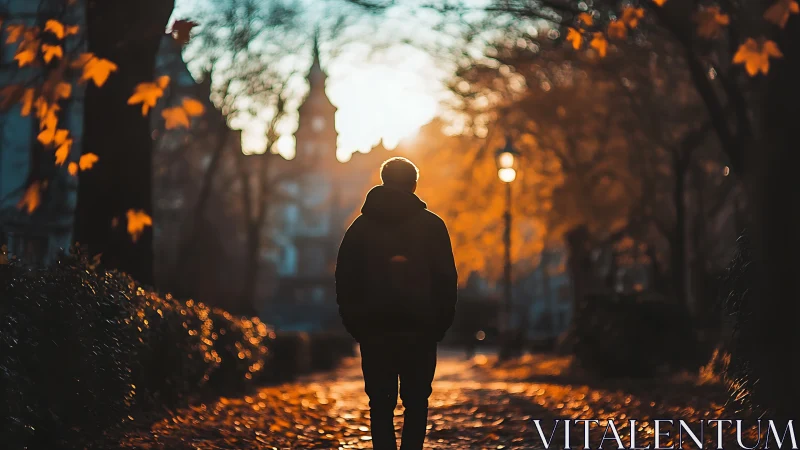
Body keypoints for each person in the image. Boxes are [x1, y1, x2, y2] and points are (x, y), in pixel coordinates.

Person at [335, 157, 458, 450]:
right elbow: (446, 280)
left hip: (374, 330)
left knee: (380, 403)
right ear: (414, 184)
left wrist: (357, 325)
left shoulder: (359, 228)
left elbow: (344, 281)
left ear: (383, 181)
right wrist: (438, 326)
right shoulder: (433, 226)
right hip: (420, 331)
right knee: (416, 402)